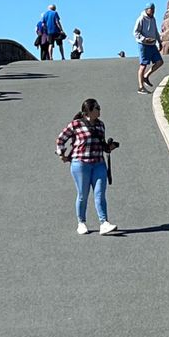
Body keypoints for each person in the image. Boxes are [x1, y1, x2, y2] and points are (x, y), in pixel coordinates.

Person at [55, 99, 118, 235]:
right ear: (88, 111)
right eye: (97, 108)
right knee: (83, 195)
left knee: (100, 193)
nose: (100, 110)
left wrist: (109, 148)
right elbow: (61, 139)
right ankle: (81, 222)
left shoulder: (101, 125)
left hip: (98, 163)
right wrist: (62, 154)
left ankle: (104, 223)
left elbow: (102, 145)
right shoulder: (76, 125)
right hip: (81, 164)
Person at [133, 3, 163, 94]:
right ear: (147, 9)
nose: (153, 11)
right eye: (151, 9)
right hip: (143, 45)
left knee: (159, 62)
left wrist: (159, 41)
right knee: (143, 65)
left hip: (152, 45)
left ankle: (146, 76)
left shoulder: (153, 19)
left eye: (154, 9)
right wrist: (144, 39)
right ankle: (141, 87)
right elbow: (135, 32)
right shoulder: (141, 19)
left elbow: (155, 31)